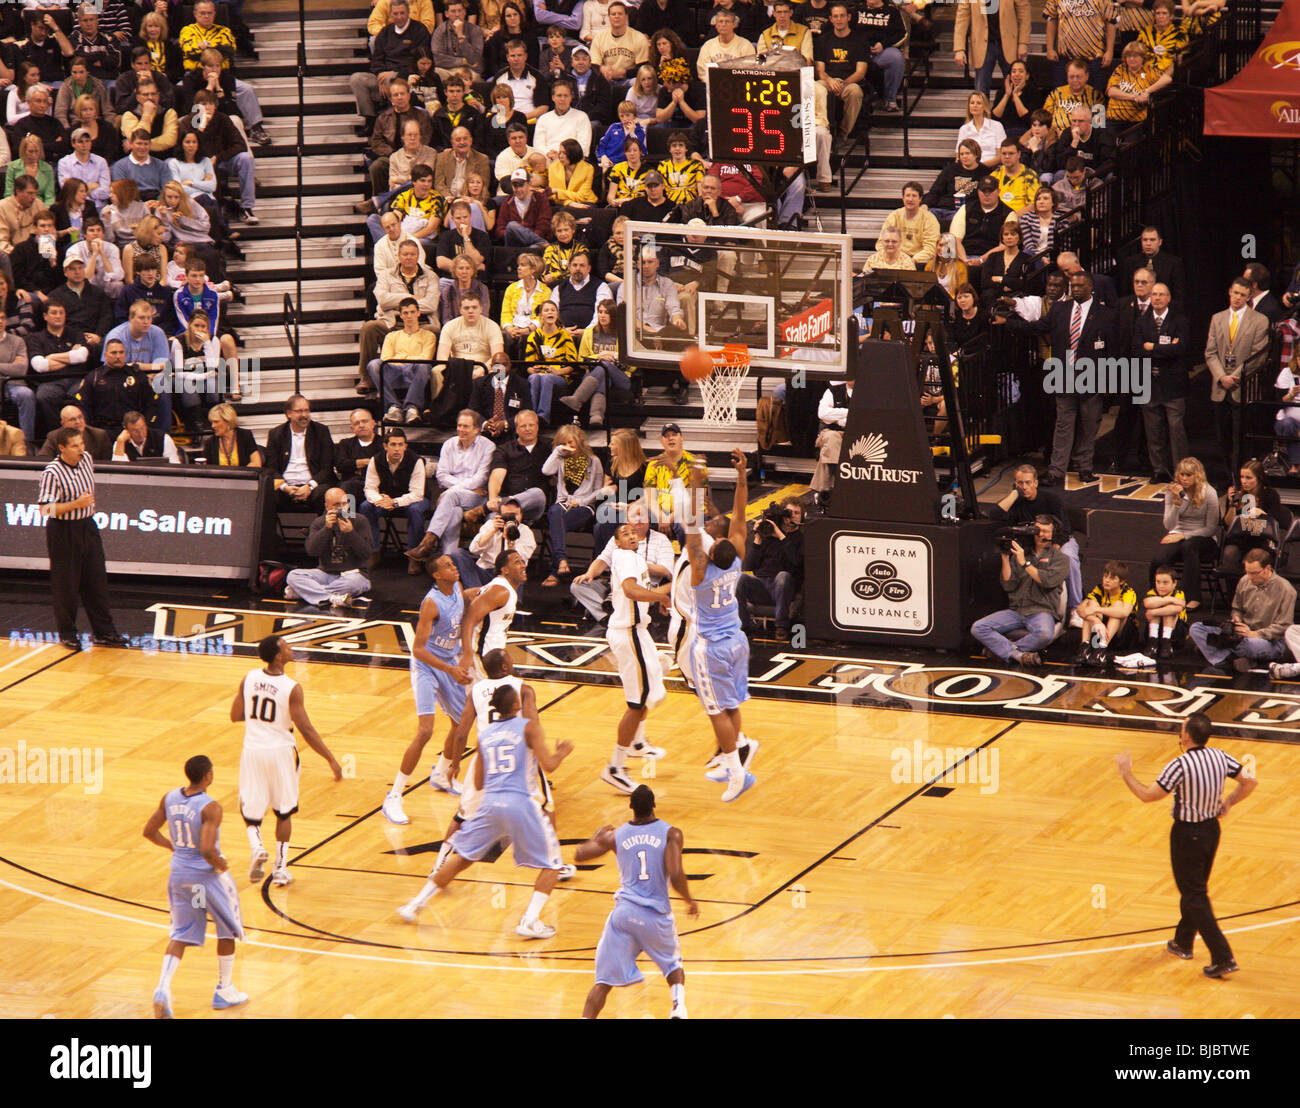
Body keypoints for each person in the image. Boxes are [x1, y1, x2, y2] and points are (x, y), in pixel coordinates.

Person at [396, 683, 571, 938]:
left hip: (490, 804)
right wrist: (562, 752)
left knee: (462, 858)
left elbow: (478, 783)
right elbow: (550, 766)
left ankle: (415, 904)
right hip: (521, 803)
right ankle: (529, 921)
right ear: (514, 706)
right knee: (553, 864)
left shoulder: (485, 737)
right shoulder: (529, 727)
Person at [1115, 712, 1256, 979]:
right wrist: (1229, 802)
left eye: (1182, 728)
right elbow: (1250, 781)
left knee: (1194, 894)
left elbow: (1147, 796)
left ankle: (1223, 956)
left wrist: (1126, 773)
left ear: (1187, 736)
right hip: (1211, 830)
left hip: (1187, 833)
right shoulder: (1220, 756)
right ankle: (1183, 942)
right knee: (1195, 889)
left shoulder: (1179, 764)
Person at [232, 633, 343, 891]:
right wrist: (331, 759)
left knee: (249, 808)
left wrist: (257, 717)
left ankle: (257, 847)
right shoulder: (292, 687)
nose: (291, 648)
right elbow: (307, 729)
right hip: (281, 751)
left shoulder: (248, 678)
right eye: (286, 646)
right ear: (278, 656)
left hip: (253, 750)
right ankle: (280, 869)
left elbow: (235, 715)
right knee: (284, 811)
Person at [141, 754, 247, 1019]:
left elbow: (149, 831)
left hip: (180, 877)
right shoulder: (210, 807)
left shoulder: (170, 798)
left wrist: (172, 846)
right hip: (205, 880)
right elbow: (208, 849)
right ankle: (225, 988)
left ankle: (163, 988)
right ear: (208, 776)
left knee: (180, 933)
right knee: (226, 927)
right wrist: (221, 864)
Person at [575, 784, 695, 1018]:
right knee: (673, 967)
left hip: (624, 916)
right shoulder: (671, 833)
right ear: (654, 806)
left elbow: (580, 855)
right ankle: (678, 1007)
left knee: (602, 982)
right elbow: (676, 873)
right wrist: (690, 901)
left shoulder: (616, 835)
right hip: (655, 915)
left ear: (631, 808)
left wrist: (595, 837)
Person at [680, 450, 758, 801]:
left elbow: (693, 525)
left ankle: (737, 773)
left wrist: (697, 484)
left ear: (712, 553)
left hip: (710, 647)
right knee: (732, 705)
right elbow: (741, 514)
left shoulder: (700, 571)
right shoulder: (736, 561)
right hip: (738, 642)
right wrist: (741, 476)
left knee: (715, 711)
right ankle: (732, 764)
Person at [381, 554, 478, 823]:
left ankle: (442, 775)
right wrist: (450, 669)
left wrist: (491, 588)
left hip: (448, 661)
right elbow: (418, 649)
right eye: (448, 566)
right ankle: (394, 796)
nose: (454, 567)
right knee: (425, 731)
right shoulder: (431, 603)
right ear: (437, 575)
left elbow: (465, 601)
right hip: (427, 665)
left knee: (462, 725)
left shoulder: (457, 589)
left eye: (453, 563)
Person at [37, 424, 130, 650]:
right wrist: (75, 505)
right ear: (62, 448)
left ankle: (104, 633)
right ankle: (68, 634)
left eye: (82, 444)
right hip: (63, 530)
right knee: (66, 585)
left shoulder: (87, 459)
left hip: (87, 526)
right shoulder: (52, 472)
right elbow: (44, 510)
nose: (81, 448)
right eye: (75, 445)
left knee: (96, 581)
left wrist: (83, 509)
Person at [971, 515, 1070, 667]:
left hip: (1041, 610)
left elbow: (1047, 581)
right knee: (978, 627)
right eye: (1037, 530)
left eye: (1045, 531)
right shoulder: (1020, 554)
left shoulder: (1061, 559)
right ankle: (1016, 655)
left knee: (1044, 634)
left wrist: (1024, 563)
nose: (1040, 535)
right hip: (1017, 610)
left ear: (1053, 534)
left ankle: (1001, 652)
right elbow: (1008, 585)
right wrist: (1005, 558)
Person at [1205, 278, 1270, 485]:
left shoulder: (1260, 320)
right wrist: (1222, 377)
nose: (1237, 298)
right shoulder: (1217, 318)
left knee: (1241, 439)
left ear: (1249, 297)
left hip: (1243, 389)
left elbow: (1258, 356)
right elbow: (1210, 352)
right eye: (1235, 293)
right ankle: (1228, 478)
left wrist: (1235, 377)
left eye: (1242, 295)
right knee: (1222, 438)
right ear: (1229, 292)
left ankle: (1242, 480)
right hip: (1220, 387)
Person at [284, 487, 375, 609]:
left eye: (344, 503)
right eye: (337, 504)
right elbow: (312, 551)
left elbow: (367, 553)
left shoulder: (359, 521)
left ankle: (306, 593)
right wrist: (326, 529)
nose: (342, 507)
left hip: (354, 574)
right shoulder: (319, 523)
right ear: (327, 506)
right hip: (326, 573)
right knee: (293, 575)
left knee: (352, 583)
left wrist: (351, 533)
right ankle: (331, 597)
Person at [1149, 456, 1218, 612]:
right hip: (1178, 533)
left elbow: (1211, 528)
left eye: (1189, 475)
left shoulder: (1209, 493)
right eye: (1182, 475)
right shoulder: (1172, 491)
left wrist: (1184, 536)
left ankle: (1192, 596)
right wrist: (1177, 503)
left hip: (1204, 538)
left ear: (1197, 476)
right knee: (1159, 559)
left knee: (1189, 546)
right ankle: (1156, 595)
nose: (1185, 479)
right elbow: (1169, 525)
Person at [358, 427, 431, 568]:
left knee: (415, 510)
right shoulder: (376, 460)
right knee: (365, 506)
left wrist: (395, 502)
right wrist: (380, 500)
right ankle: (374, 551)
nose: (397, 449)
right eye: (393, 445)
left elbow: (417, 494)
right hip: (387, 500)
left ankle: (414, 556)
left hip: (415, 500)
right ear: (385, 446)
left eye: (400, 445)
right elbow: (370, 488)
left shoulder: (416, 461)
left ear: (405, 446)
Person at [541, 424, 604, 584]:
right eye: (564, 443)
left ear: (579, 442)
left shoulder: (593, 461)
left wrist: (581, 501)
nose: (568, 447)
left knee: (556, 524)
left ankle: (556, 569)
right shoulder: (560, 459)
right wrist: (557, 452)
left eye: (571, 443)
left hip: (584, 507)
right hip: (562, 505)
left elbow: (598, 490)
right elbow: (546, 471)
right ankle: (561, 560)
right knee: (555, 513)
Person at [737, 499, 805, 641]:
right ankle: (744, 625)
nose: (792, 516)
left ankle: (781, 627)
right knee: (741, 578)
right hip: (762, 587)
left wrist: (781, 536)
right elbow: (748, 566)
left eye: (796, 513)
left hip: (785, 588)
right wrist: (757, 539)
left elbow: (796, 563)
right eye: (788, 512)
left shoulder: (801, 538)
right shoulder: (767, 535)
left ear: (802, 516)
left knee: (783, 576)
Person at [369, 296, 438, 425]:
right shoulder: (391, 336)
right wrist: (410, 359)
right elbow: (386, 360)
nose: (409, 316)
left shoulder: (429, 336)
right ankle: (393, 406)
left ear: (418, 313)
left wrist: (401, 359)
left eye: (412, 312)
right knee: (374, 364)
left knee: (424, 366)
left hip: (415, 372)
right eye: (405, 313)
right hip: (395, 372)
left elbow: (425, 358)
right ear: (400, 315)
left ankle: (412, 407)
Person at [263, 394, 335, 514]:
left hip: (313, 484)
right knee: (267, 494)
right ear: (289, 414)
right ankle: (272, 533)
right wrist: (285, 487)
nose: (304, 415)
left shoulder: (321, 431)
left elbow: (327, 468)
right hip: (286, 485)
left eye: (307, 411)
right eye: (299, 411)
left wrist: (309, 486)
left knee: (325, 493)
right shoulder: (276, 434)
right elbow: (272, 469)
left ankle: (319, 530)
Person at [1219, 459, 1291, 577]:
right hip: (1240, 539)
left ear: (1259, 478)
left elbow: (1275, 523)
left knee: (1255, 557)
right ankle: (1233, 593)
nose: (1244, 481)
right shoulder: (1238, 495)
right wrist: (1232, 505)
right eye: (1242, 477)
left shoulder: (1270, 494)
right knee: (1229, 553)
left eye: (1249, 478)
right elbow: (1227, 526)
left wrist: (1262, 513)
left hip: (1261, 540)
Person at [462, 548, 528, 672]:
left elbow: (467, 595)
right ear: (505, 570)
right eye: (517, 562)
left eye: (522, 561)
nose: (523, 565)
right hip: (481, 658)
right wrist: (467, 654)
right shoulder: (500, 591)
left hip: (491, 657)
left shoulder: (499, 588)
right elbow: (469, 618)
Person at [453, 497, 536, 589]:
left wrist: (510, 540)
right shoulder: (490, 525)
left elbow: (518, 560)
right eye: (507, 515)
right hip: (485, 571)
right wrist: (493, 530)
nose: (511, 519)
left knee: (518, 566)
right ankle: (476, 593)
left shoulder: (525, 532)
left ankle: (511, 600)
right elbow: (473, 549)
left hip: (506, 575)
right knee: (458, 554)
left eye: (514, 515)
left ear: (521, 515)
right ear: (499, 515)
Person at [815, 3, 867, 148]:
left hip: (848, 82)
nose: (839, 19)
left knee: (855, 91)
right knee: (816, 87)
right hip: (828, 81)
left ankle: (843, 133)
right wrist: (830, 81)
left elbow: (861, 72)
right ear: (831, 19)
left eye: (842, 16)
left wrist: (843, 84)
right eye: (835, 16)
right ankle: (823, 130)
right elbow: (820, 70)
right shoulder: (823, 40)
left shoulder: (859, 40)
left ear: (849, 17)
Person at [1073, 559, 1136, 664]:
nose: (1106, 580)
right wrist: (1095, 620)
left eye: (1112, 578)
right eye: (1105, 576)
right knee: (1091, 603)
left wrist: (1097, 610)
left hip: (1123, 636)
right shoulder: (1099, 589)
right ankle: (1085, 648)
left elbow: (1124, 613)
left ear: (1121, 581)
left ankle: (1101, 650)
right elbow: (1080, 610)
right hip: (1100, 632)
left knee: (1118, 606)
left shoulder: (1128, 592)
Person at [1142, 565, 1188, 659]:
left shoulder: (1179, 593)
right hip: (1156, 632)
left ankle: (1166, 643)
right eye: (1158, 582)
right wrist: (1169, 599)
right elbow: (1147, 603)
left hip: (1175, 634)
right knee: (1157, 607)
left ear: (1174, 583)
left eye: (1165, 582)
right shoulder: (1152, 592)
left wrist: (1154, 612)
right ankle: (1153, 643)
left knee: (1168, 611)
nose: (1161, 586)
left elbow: (1177, 609)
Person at [204, 403, 261, 468]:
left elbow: (256, 463)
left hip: (242, 477)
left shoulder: (245, 435)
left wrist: (238, 475)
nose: (213, 426)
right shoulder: (210, 442)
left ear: (228, 421)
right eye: (212, 422)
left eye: (216, 422)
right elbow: (207, 469)